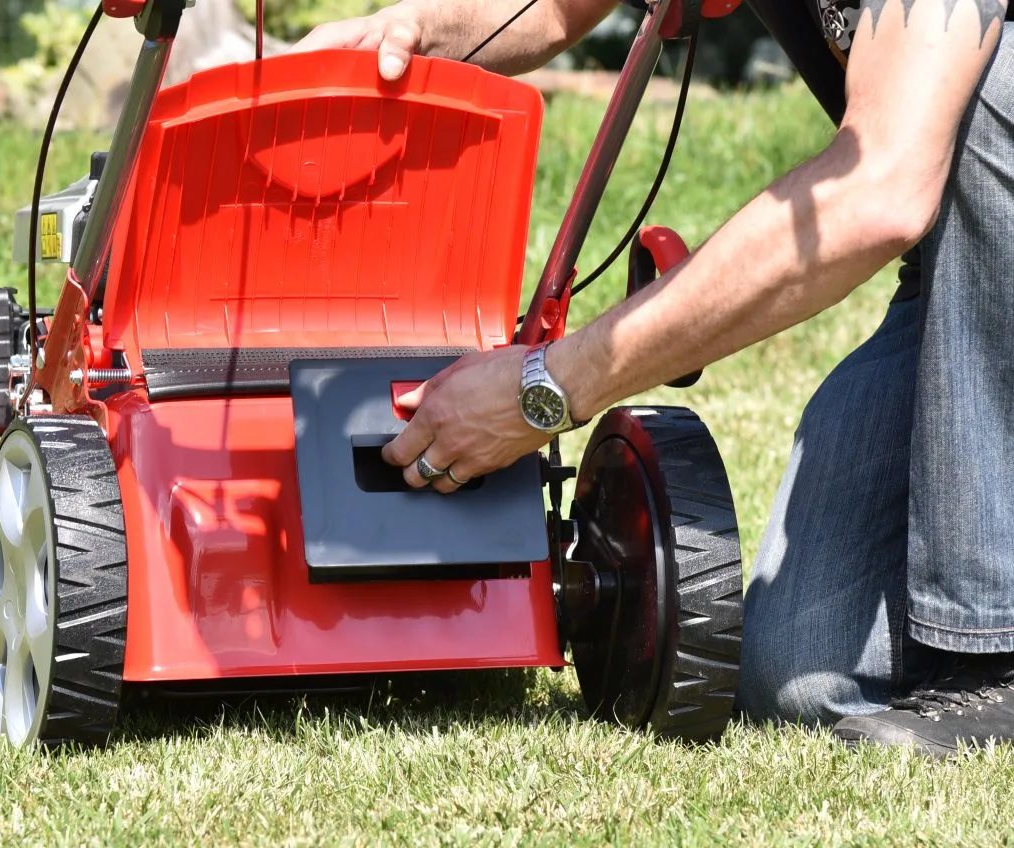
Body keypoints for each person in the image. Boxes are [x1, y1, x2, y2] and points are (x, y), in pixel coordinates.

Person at [294, 0, 1014, 758]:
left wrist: (543, 388)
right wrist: (412, 32)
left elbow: (882, 191)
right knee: (804, 678)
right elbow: (554, 11)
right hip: (957, 272)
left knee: (988, 98)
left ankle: (992, 658)